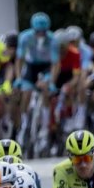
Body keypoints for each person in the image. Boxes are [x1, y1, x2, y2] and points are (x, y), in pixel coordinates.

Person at [14, 13, 60, 146]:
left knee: (45, 89)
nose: (41, 34)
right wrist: (18, 77)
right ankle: (23, 125)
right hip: (31, 66)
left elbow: (55, 64)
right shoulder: (25, 37)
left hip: (45, 67)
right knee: (26, 92)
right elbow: (19, 60)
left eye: (43, 32)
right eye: (38, 32)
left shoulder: (53, 39)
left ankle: (44, 129)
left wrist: (51, 82)